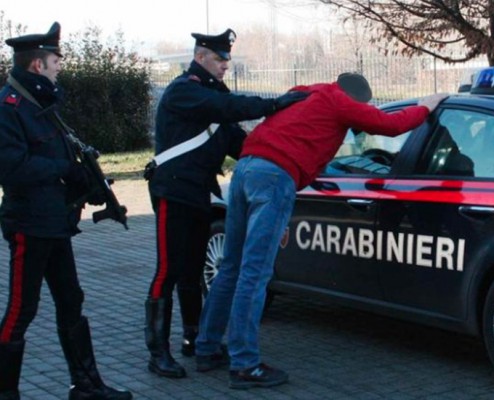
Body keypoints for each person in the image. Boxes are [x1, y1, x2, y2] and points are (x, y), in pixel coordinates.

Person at [195, 73, 449, 389]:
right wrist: (426, 106)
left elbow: (291, 136)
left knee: (231, 266)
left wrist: (279, 218)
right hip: (275, 177)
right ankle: (245, 364)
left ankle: (205, 349)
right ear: (357, 100)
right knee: (255, 273)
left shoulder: (305, 93)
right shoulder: (340, 102)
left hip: (246, 169)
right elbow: (391, 125)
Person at [145, 28, 308, 379]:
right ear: (201, 56)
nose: (224, 67)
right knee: (168, 270)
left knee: (191, 270)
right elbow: (226, 108)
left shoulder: (213, 96)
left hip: (198, 193)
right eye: (219, 60)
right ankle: (158, 352)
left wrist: (281, 156)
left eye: (226, 61)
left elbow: (242, 144)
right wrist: (273, 104)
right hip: (172, 191)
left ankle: (194, 337)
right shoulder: (185, 90)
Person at [0, 23, 132, 400]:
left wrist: (81, 182)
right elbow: (11, 167)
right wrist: (63, 170)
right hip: (29, 223)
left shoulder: (43, 106)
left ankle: (86, 385)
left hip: (55, 221)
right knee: (21, 309)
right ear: (38, 65)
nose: (60, 65)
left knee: (71, 299)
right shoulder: (10, 107)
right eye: (56, 59)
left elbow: (56, 160)